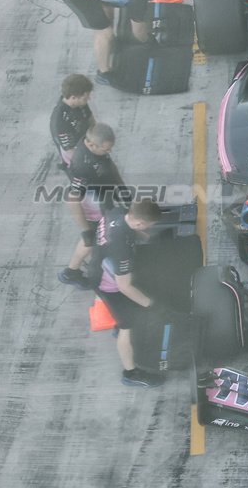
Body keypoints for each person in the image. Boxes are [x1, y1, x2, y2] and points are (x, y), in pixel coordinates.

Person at [56, 0, 174, 85]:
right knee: (104, 33)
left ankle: (110, 43)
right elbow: (138, 32)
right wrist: (149, 41)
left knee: (108, 4)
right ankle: (104, 74)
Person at [94, 198, 165, 388]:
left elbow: (133, 231)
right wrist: (152, 305)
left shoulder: (119, 213)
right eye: (150, 225)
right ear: (140, 223)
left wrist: (150, 239)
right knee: (127, 324)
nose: (150, 228)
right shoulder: (120, 249)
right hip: (107, 283)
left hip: (101, 263)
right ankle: (131, 373)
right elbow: (124, 287)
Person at [59, 123, 126, 290]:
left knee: (98, 237)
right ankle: (71, 272)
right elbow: (73, 199)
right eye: (105, 149)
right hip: (94, 208)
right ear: (90, 145)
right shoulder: (82, 167)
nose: (109, 151)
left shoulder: (95, 145)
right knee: (92, 239)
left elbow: (109, 164)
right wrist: (85, 230)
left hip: (104, 197)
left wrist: (122, 188)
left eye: (110, 148)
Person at [49, 74, 95, 167]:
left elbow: (92, 122)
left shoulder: (80, 103)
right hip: (75, 151)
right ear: (73, 97)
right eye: (85, 97)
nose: (89, 99)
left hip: (85, 140)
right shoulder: (60, 121)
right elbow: (70, 151)